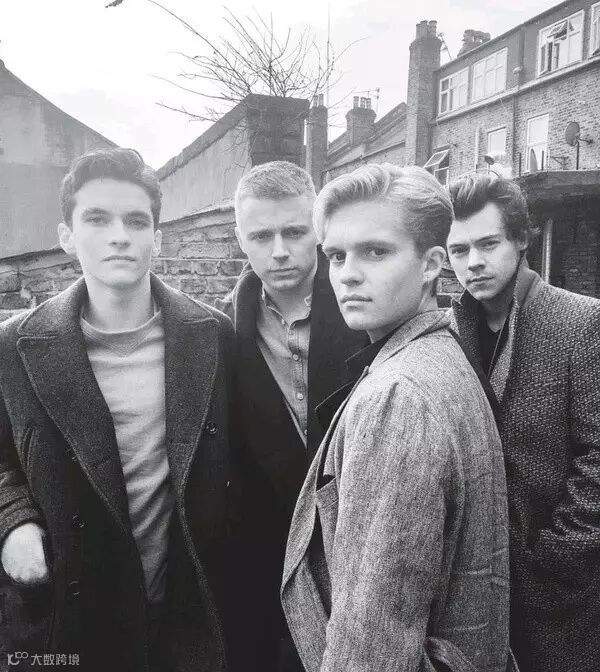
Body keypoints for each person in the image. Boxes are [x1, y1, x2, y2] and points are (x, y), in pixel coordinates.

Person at [0, 148, 238, 671]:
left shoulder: (212, 335)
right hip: (68, 615)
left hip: (184, 614)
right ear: (66, 236)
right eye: (97, 219)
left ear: (158, 237)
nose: (119, 236)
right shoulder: (14, 346)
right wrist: (13, 522)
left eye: (136, 221)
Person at [281, 163, 511, 672]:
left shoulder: (398, 395)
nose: (347, 273)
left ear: (431, 265)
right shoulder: (442, 352)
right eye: (336, 255)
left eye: (375, 251)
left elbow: (373, 644)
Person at [447, 172, 600, 672]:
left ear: (520, 239)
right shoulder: (448, 334)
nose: (473, 262)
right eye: (458, 250)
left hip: (564, 600)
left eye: (488, 244)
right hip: (476, 596)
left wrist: (554, 559)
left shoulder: (582, 322)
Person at [217, 161, 366, 672]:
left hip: (364, 537)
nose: (279, 250)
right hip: (272, 553)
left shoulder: (364, 306)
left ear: (318, 230)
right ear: (240, 239)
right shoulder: (223, 330)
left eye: (295, 232)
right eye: (261, 236)